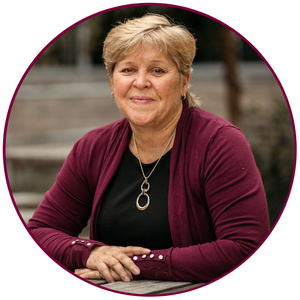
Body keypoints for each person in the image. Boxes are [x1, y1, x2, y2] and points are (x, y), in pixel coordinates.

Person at [27, 14, 270, 284]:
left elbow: (246, 248)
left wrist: (133, 265)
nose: (140, 82)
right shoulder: (93, 148)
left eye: (157, 70)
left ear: (184, 81)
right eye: (128, 70)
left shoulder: (219, 144)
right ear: (111, 82)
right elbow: (39, 231)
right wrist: (91, 253)